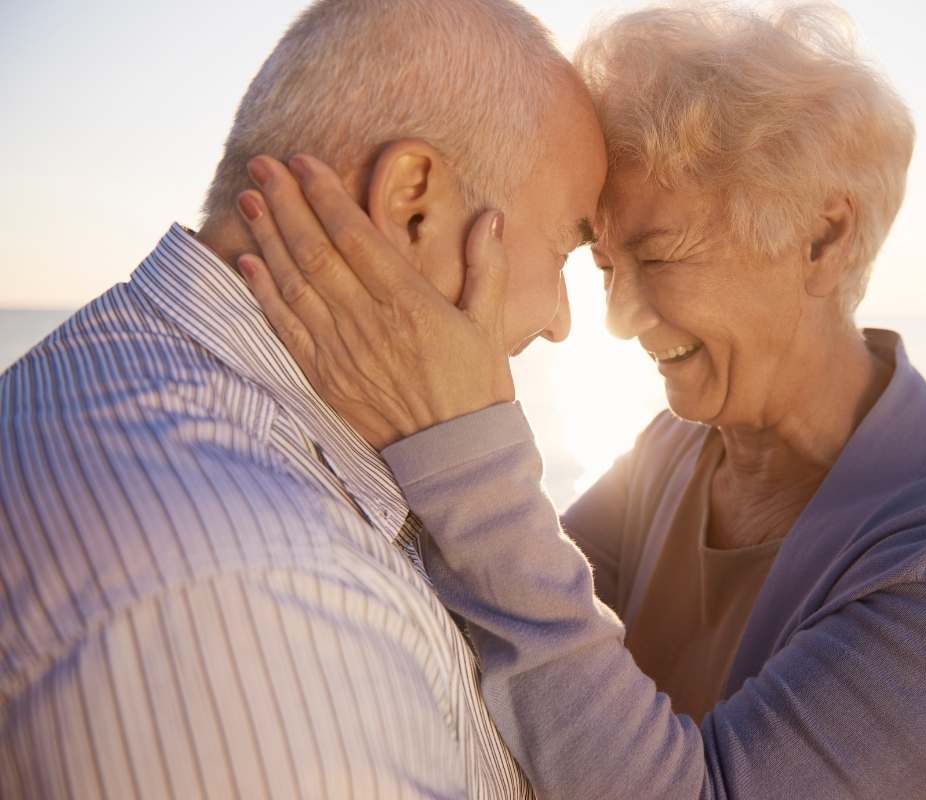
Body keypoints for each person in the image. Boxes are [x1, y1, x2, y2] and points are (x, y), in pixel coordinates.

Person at [235, 2, 926, 798]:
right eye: (605, 266)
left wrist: (462, 444)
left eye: (659, 256)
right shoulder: (673, 452)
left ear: (822, 238)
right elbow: (481, 625)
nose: (617, 319)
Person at [0, 0, 605, 796]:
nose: (561, 322)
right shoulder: (263, 600)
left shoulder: (98, 374)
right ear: (412, 203)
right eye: (565, 246)